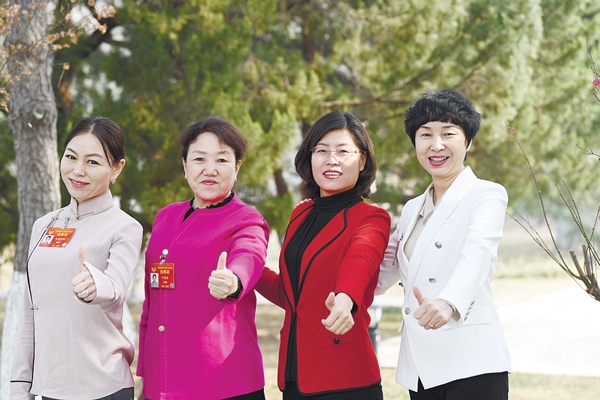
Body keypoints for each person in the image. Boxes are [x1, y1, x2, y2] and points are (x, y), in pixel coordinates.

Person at [376, 89, 511, 399]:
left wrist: (449, 302)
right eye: (425, 135)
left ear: (468, 141)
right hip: (421, 365)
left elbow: (477, 254)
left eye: (448, 133)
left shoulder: (486, 194)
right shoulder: (411, 208)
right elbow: (385, 272)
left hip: (472, 361)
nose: (436, 145)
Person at [255, 111, 391, 399]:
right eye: (322, 151)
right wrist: (246, 268)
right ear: (310, 156)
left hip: (345, 380)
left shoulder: (372, 218)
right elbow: (291, 295)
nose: (332, 160)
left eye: (343, 151)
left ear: (362, 160)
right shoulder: (300, 215)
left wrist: (345, 299)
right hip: (295, 376)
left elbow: (361, 259)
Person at [136, 117, 270, 400]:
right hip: (163, 382)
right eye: (199, 159)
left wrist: (234, 281)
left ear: (237, 167)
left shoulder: (246, 219)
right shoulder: (165, 216)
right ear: (185, 166)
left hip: (224, 384)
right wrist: (146, 374)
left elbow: (250, 255)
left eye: (221, 160)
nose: (210, 169)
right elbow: (152, 302)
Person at [10, 117, 143, 400]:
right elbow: (29, 313)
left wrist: (96, 285)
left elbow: (116, 290)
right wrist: (19, 387)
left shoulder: (124, 227)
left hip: (103, 388)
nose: (78, 170)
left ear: (117, 168)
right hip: (50, 388)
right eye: (71, 157)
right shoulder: (44, 225)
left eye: (92, 162)